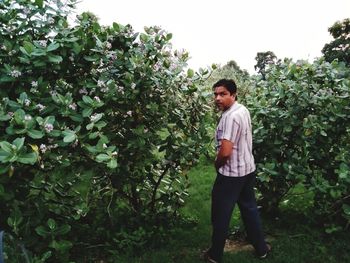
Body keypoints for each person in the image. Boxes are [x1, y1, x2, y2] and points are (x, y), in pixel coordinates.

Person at [203, 79, 270, 263]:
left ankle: (215, 255)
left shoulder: (230, 117)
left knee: (220, 215)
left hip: (232, 175)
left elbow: (225, 152)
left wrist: (217, 165)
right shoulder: (242, 109)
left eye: (223, 94)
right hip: (247, 169)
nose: (217, 98)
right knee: (249, 210)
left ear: (233, 94)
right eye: (215, 94)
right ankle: (262, 249)